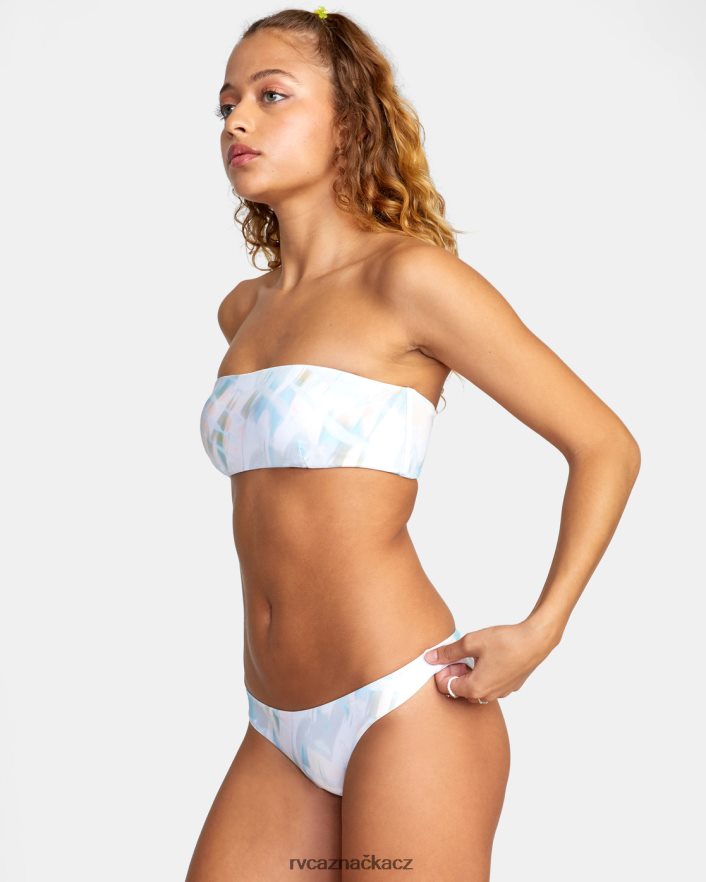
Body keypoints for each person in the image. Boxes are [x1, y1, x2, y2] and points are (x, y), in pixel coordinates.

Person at [187, 7, 641, 881]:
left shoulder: (409, 279)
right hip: (273, 723)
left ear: (349, 120)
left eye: (271, 96)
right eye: (227, 103)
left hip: (405, 702)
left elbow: (605, 445)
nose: (238, 120)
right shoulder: (243, 312)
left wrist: (541, 630)